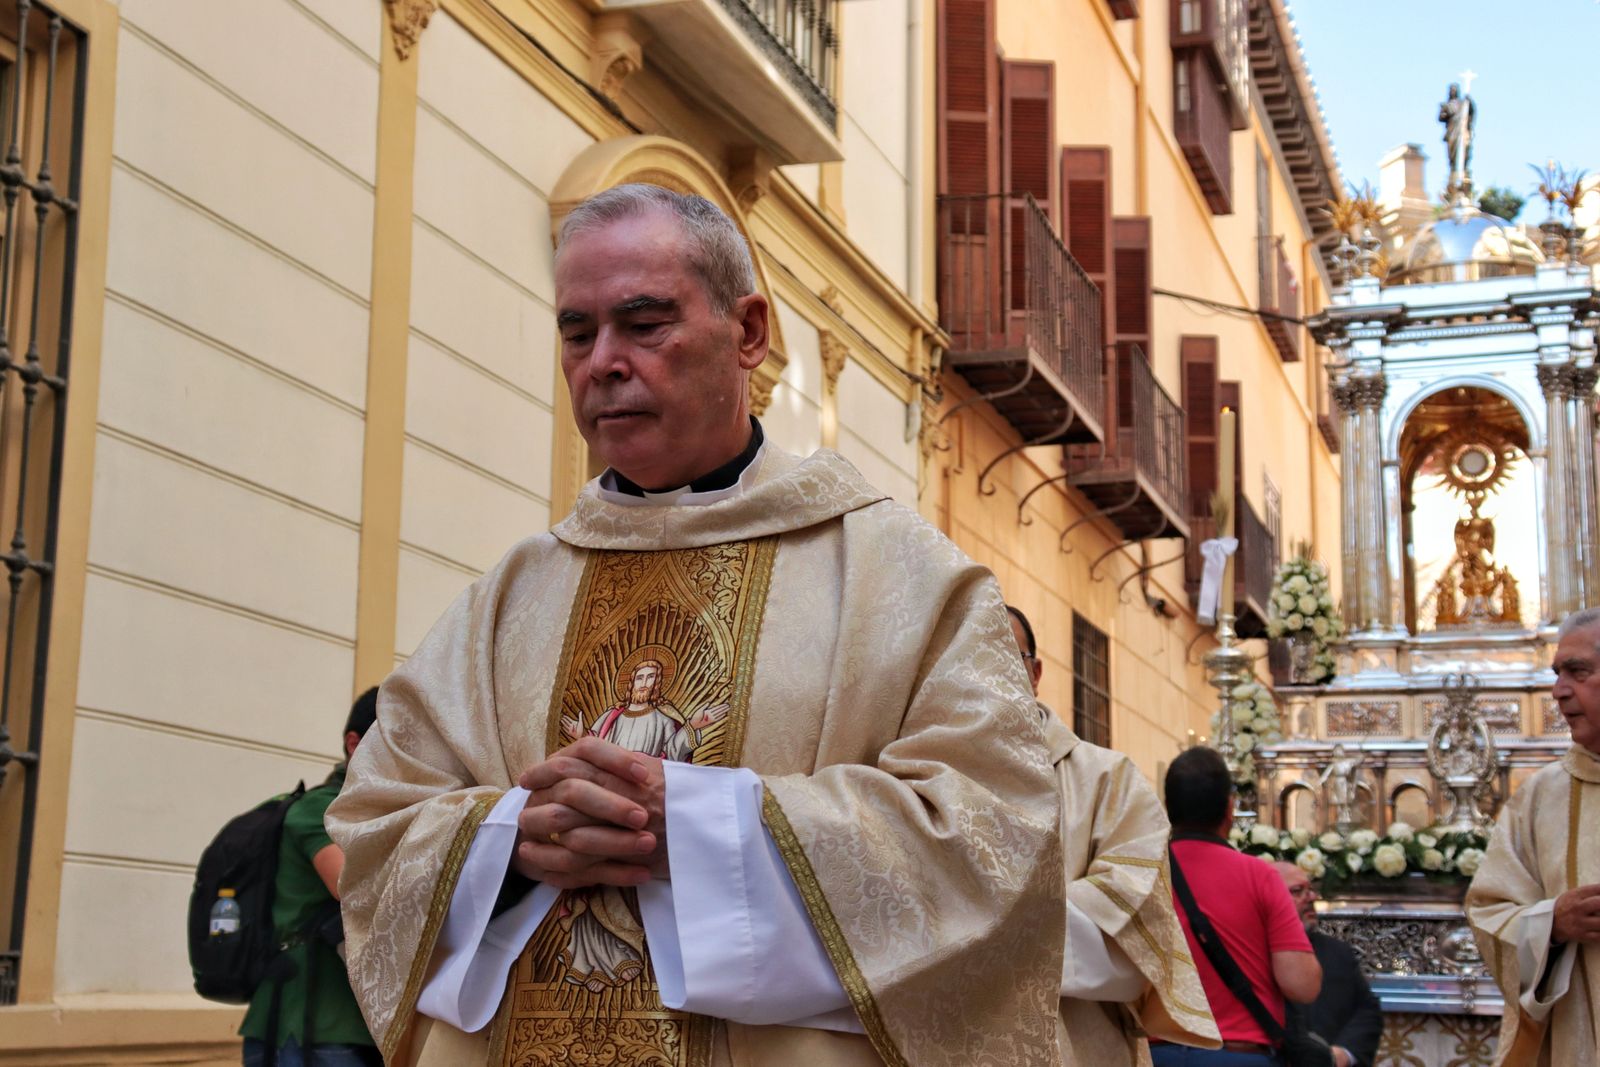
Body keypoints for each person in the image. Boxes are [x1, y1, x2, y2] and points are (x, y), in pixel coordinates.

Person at [325, 184, 1065, 1067]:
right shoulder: (511, 596)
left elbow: (997, 829)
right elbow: (373, 823)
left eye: (644, 324)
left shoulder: (899, 577)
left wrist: (701, 827)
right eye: (577, 334)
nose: (604, 362)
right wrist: (509, 839)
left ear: (747, 332)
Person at [1004, 605, 1218, 1066]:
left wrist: (976, 933)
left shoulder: (1108, 780)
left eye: (1005, 657)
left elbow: (1132, 943)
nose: (983, 675)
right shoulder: (914, 777)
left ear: (1035, 673)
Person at [1465, 607, 1600, 1066]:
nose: (1559, 690)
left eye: (1578, 672)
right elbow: (1489, 911)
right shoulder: (1542, 796)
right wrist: (1552, 925)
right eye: (1557, 673)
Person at [239, 688, 380, 1067]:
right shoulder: (319, 809)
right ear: (354, 744)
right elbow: (351, 887)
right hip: (309, 1025)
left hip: (352, 1025)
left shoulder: (374, 810)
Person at [1156, 747, 1321, 1066]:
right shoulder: (1260, 876)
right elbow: (1302, 985)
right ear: (1229, 808)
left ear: (1167, 807)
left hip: (1157, 1053)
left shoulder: (1143, 873)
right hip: (1238, 1055)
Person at [1271, 862, 1383, 1067]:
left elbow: (1366, 1009)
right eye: (1297, 891)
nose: (1312, 897)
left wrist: (1342, 1054)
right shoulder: (1249, 952)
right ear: (1267, 898)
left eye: (1311, 890)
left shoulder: (1338, 952)